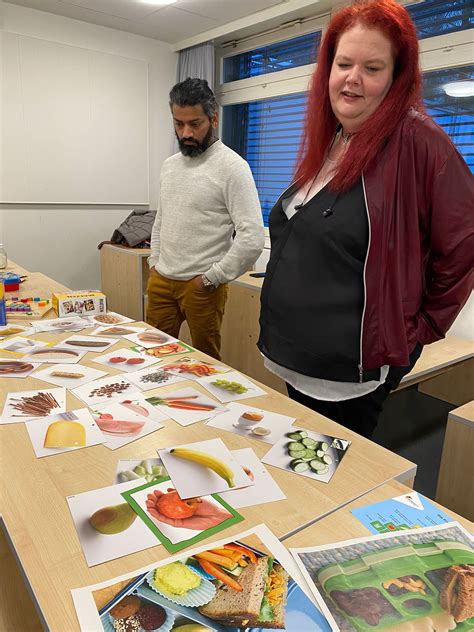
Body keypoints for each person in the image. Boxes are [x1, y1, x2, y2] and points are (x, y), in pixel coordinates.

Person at [258, 0, 473, 438]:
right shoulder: (335, 139)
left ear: (396, 78)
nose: (352, 78)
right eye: (343, 63)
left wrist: (417, 330)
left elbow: (465, 241)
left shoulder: (417, 142)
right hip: (295, 357)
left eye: (372, 68)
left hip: (347, 375)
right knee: (295, 467)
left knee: (329, 482)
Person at [147, 78, 265, 361]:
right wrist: (154, 263)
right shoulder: (169, 166)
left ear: (213, 118)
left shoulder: (233, 167)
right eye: (178, 124)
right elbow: (162, 219)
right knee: (152, 357)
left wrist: (212, 279)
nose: (186, 133)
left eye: (195, 124)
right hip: (162, 280)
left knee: (205, 364)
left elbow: (252, 237)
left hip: (201, 286)